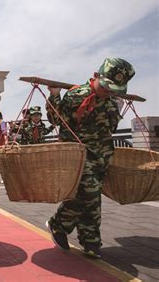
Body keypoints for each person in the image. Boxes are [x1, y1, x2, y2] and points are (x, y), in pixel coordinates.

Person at [45, 58, 135, 258]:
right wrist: (54, 97)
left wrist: (118, 105)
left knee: (90, 198)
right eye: (106, 86)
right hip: (77, 153)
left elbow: (109, 128)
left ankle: (89, 240)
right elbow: (55, 120)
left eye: (113, 89)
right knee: (90, 192)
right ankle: (59, 224)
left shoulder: (112, 100)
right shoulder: (77, 95)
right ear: (97, 76)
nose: (108, 91)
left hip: (101, 155)